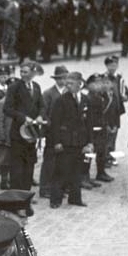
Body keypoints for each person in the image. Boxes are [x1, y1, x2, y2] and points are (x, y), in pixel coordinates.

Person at [47, 72, 92, 208]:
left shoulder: (85, 100)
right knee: (61, 171)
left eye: (72, 83)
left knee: (77, 172)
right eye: (67, 83)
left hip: (79, 142)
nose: (68, 86)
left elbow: (89, 123)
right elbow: (55, 122)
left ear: (80, 84)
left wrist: (90, 142)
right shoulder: (61, 100)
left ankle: (75, 198)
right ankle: (55, 199)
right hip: (65, 142)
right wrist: (57, 142)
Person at [4, 61, 44, 192]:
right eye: (21, 72)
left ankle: (26, 196)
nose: (23, 75)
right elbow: (7, 109)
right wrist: (23, 117)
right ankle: (16, 199)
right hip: (18, 133)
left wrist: (40, 116)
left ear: (33, 72)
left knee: (29, 166)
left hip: (31, 133)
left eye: (26, 72)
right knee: (17, 168)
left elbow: (42, 106)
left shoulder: (37, 87)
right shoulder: (14, 87)